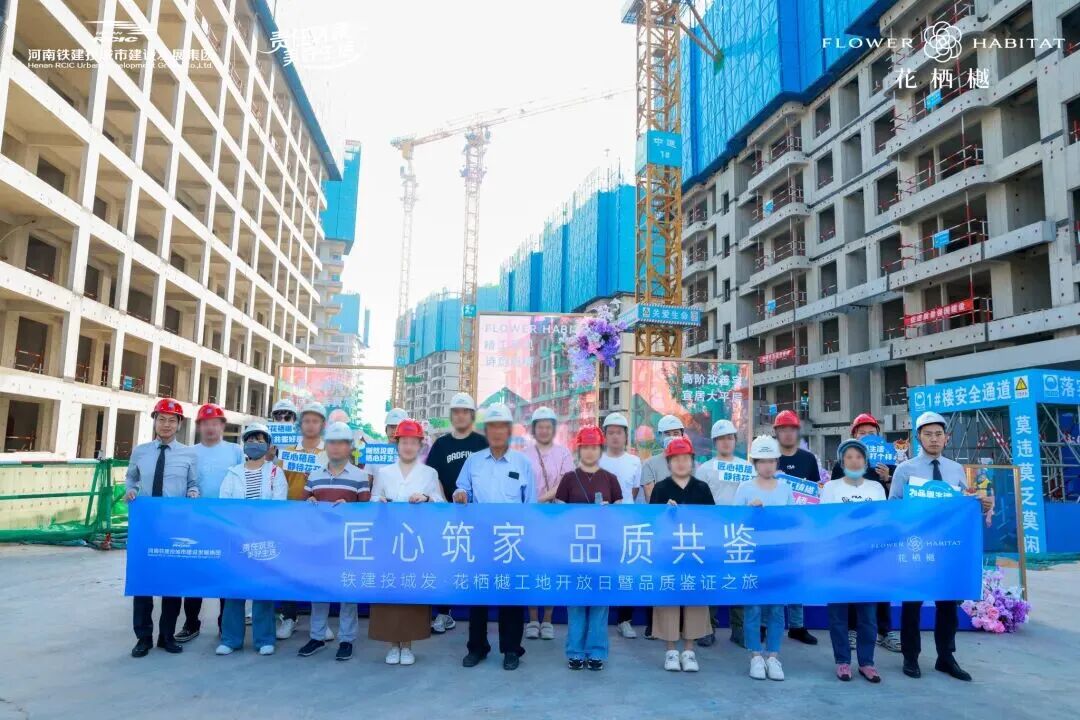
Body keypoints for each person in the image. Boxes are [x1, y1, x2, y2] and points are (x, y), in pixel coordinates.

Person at [890, 411, 991, 682]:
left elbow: (963, 504)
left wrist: (979, 503)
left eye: (938, 434)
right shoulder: (905, 470)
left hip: (947, 547)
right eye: (928, 434)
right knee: (912, 603)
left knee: (947, 604)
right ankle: (910, 657)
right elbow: (893, 507)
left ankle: (946, 657)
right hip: (916, 546)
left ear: (946, 438)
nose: (934, 439)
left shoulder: (956, 469)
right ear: (918, 438)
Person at [454, 402, 536, 671]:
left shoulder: (522, 463)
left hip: (512, 540)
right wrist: (460, 495)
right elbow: (461, 488)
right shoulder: (473, 461)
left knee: (510, 597)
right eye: (492, 427)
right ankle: (477, 647)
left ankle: (511, 649)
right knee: (478, 596)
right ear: (486, 431)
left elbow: (530, 504)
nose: (497, 432)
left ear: (509, 431)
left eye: (502, 426)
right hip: (480, 538)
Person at [124, 398, 199, 658]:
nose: (166, 425)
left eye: (172, 420)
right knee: (143, 583)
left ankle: (167, 636)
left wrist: (193, 492)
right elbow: (131, 478)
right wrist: (131, 491)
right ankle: (143, 638)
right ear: (154, 421)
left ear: (179, 424)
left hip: (175, 526)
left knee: (171, 583)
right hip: (146, 525)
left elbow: (194, 484)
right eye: (162, 419)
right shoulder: (140, 452)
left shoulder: (189, 454)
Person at [369, 419, 444, 665]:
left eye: (413, 442)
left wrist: (426, 498)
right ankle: (392, 645)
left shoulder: (429, 473)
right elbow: (373, 499)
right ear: (397, 443)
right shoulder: (384, 473)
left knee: (411, 592)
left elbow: (441, 504)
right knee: (390, 591)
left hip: (416, 544)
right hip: (389, 542)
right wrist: (378, 502)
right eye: (404, 442)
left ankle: (408, 645)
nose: (409, 446)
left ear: (420, 445)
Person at [297, 421, 372, 662]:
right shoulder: (315, 475)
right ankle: (317, 636)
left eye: (341, 443)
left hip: (348, 544)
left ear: (350, 447)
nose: (336, 447)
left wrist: (350, 508)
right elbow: (301, 505)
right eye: (332, 443)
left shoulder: (360, 476)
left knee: (347, 592)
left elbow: (366, 511)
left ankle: (347, 640)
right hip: (320, 543)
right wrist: (309, 502)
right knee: (319, 590)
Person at [830, 413, 900, 654]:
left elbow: (897, 501)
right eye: (863, 433)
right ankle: (851, 629)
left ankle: (884, 631)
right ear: (854, 436)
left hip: (876, 538)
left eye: (872, 433)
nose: (868, 437)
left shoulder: (890, 465)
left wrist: (888, 478)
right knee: (850, 582)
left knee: (880, 583)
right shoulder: (841, 466)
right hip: (848, 538)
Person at [215, 424, 288, 656]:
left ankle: (264, 639)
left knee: (263, 590)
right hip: (237, 538)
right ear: (244, 444)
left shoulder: (276, 473)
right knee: (234, 589)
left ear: (268, 445)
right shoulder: (233, 473)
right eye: (250, 439)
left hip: (264, 539)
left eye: (260, 440)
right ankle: (231, 639)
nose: (255, 444)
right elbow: (224, 504)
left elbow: (278, 506)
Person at [556, 425, 622, 671]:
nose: (590, 451)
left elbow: (622, 514)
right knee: (576, 603)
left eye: (594, 447)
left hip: (602, 552)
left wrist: (609, 511)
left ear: (600, 449)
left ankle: (596, 652)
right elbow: (559, 513)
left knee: (599, 603)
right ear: (579, 450)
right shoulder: (569, 479)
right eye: (586, 447)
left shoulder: (610, 479)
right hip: (574, 551)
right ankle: (575, 652)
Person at [176, 403, 243, 643]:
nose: (210, 428)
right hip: (197, 522)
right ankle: (191, 623)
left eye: (215, 423)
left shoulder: (235, 451)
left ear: (223, 426)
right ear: (198, 426)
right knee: (195, 573)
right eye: (205, 423)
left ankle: (225, 624)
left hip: (226, 522)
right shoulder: (189, 452)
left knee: (226, 572)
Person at [822, 439, 886, 683]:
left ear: (865, 461)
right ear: (842, 461)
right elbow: (825, 522)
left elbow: (882, 521)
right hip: (838, 559)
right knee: (838, 614)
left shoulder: (876, 488)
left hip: (868, 561)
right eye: (849, 457)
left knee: (867, 614)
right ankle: (842, 661)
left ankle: (867, 663)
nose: (854, 461)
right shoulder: (831, 488)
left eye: (858, 457)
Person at [649, 436, 714, 672]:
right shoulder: (661, 488)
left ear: (692, 461)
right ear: (668, 463)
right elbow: (651, 523)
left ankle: (689, 651)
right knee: (668, 601)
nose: (680, 463)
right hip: (669, 556)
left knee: (694, 601)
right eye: (675, 459)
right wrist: (664, 512)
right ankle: (670, 651)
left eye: (685, 458)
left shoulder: (702, 488)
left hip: (695, 555)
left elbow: (712, 521)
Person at [425, 392, 488, 634]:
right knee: (446, 562)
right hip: (448, 514)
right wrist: (443, 503)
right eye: (457, 412)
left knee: (477, 564)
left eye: (465, 412)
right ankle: (443, 613)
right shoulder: (441, 444)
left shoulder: (482, 443)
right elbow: (433, 477)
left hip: (477, 514)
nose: (461, 416)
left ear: (472, 416)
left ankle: (479, 616)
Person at [735, 435, 794, 681]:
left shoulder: (785, 488)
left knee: (777, 609)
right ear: (755, 463)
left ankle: (773, 656)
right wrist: (751, 513)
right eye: (762, 461)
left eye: (771, 461)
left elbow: (792, 522)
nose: (767, 466)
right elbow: (734, 523)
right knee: (754, 608)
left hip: (778, 558)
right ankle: (755, 656)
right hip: (752, 557)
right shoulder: (745, 488)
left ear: (777, 462)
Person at [695, 418, 752, 647]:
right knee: (712, 579)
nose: (726, 442)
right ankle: (708, 628)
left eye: (729, 437)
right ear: (714, 442)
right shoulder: (705, 469)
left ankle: (739, 629)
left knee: (738, 580)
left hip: (740, 532)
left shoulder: (746, 468)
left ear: (735, 440)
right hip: (713, 532)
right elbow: (698, 501)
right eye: (721, 439)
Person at [276, 400, 329, 640]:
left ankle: (320, 623)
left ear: (322, 424)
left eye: (315, 421)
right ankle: (289, 617)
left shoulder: (329, 452)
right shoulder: (288, 452)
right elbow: (279, 481)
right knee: (290, 568)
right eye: (306, 420)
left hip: (320, 518)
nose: (310, 425)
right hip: (292, 517)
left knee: (318, 567)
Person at [523, 406, 573, 640]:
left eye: (548, 426)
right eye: (540, 426)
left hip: (555, 517)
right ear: (534, 429)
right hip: (531, 518)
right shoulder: (524, 454)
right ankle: (533, 619)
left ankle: (548, 620)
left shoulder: (564, 453)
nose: (544, 430)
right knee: (532, 567)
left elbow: (564, 483)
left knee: (551, 568)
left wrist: (539, 500)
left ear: (553, 429)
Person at [771, 410, 819, 646]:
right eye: (783, 429)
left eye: (792, 429)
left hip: (798, 528)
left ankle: (797, 626)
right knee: (772, 575)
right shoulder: (767, 458)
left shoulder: (808, 459)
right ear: (776, 432)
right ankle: (768, 625)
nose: (788, 434)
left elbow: (815, 491)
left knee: (796, 576)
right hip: (772, 528)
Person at [598, 412, 642, 639]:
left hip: (626, 524)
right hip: (602, 525)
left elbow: (632, 493)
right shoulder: (597, 460)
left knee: (627, 573)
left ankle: (625, 620)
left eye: (619, 432)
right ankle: (599, 618)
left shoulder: (634, 461)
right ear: (605, 436)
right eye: (611, 432)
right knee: (602, 570)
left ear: (626, 436)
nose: (615, 436)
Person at [641, 414, 694, 502]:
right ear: (660, 436)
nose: (672, 437)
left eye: (676, 433)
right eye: (667, 434)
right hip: (661, 510)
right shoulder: (649, 464)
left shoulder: (691, 463)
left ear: (682, 435)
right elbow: (651, 499)